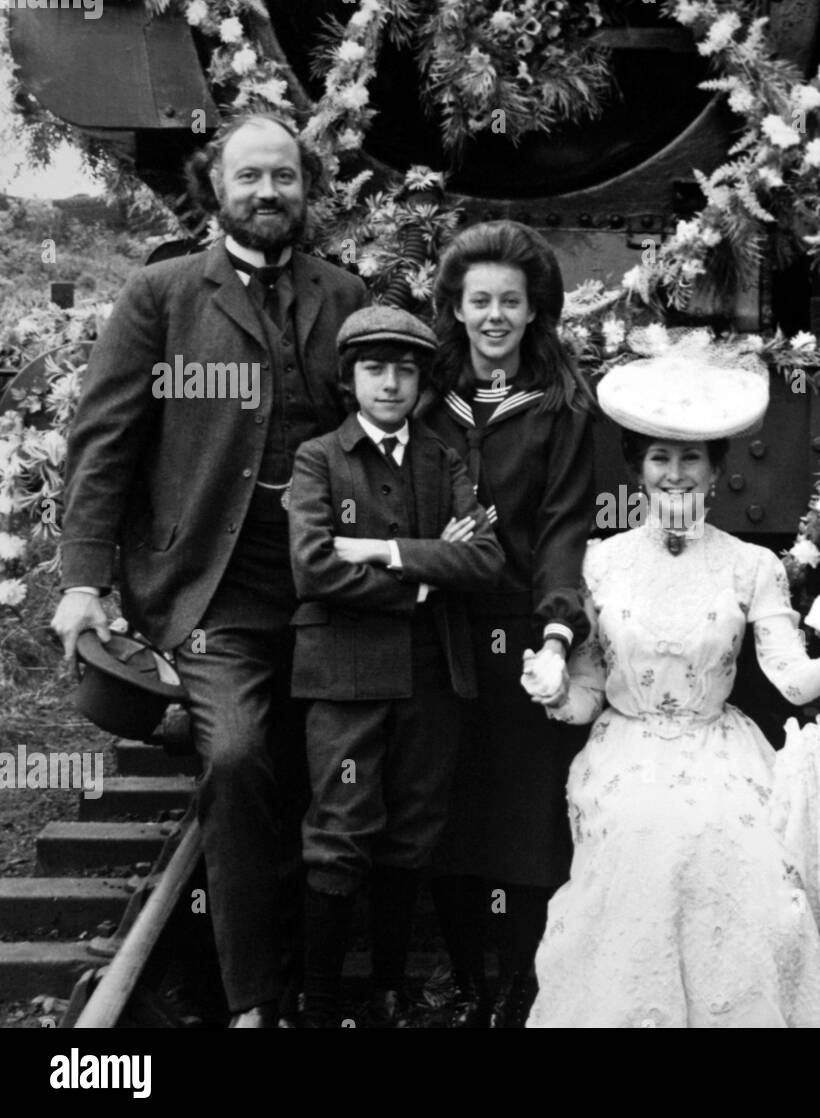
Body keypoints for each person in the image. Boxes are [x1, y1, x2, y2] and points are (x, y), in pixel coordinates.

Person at [52, 113, 368, 1026]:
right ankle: (252, 1002)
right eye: (249, 179)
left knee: (331, 780)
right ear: (215, 188)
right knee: (234, 757)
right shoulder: (161, 295)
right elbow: (104, 444)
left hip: (323, 592)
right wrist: (83, 580)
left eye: (285, 178)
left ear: (306, 190)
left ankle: (327, 984)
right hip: (212, 590)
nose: (268, 194)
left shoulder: (344, 294)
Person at [522, 345, 820, 1028]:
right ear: (636, 469)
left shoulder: (752, 565)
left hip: (718, 749)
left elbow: (792, 681)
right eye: (660, 457)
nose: (675, 472)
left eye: (692, 458)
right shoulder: (600, 563)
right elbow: (589, 691)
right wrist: (553, 692)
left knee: (734, 846)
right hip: (626, 749)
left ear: (717, 471)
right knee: (645, 836)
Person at [287, 306, 504, 1027]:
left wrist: (382, 551)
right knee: (341, 826)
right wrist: (420, 576)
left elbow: (483, 558)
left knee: (413, 828)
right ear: (349, 379)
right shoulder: (319, 458)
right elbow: (315, 567)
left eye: (405, 370)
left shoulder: (444, 459)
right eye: (375, 369)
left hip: (432, 675)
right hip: (345, 677)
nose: (390, 384)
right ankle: (318, 1004)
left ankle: (387, 991)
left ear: (420, 381)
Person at [421, 220, 596, 1027]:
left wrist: (558, 629)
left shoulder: (559, 403)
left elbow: (563, 524)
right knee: (447, 809)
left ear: (535, 312)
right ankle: (465, 977)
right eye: (478, 300)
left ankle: (523, 983)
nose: (494, 316)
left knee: (526, 814)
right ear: (455, 308)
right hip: (437, 630)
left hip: (523, 631)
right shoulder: (427, 397)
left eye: (511, 302)